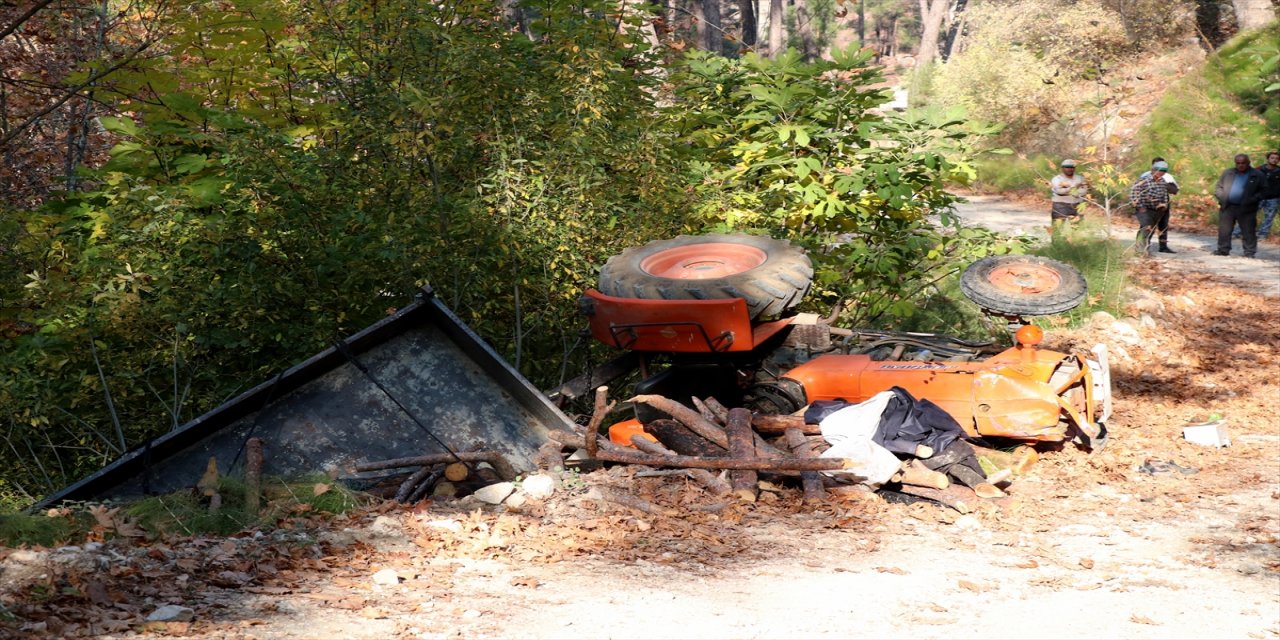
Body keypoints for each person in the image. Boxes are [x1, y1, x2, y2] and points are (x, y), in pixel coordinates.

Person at [1213, 154, 1265, 257]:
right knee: (1224, 230)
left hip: (1247, 207)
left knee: (1248, 230)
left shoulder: (1257, 174)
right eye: (1238, 163)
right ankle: (1223, 249)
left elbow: (1264, 190)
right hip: (1228, 206)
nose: (1240, 165)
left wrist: (1253, 199)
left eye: (1243, 163)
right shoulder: (1228, 173)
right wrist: (1222, 197)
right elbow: (1219, 187)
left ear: (1248, 162)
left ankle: (1249, 252)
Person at [1138, 157, 1181, 252]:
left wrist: (1165, 185)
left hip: (1163, 202)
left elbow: (1174, 190)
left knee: (1163, 225)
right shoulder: (1145, 176)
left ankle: (1163, 246)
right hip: (1148, 203)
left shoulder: (1167, 177)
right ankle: (1141, 247)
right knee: (1147, 225)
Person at [1129, 161, 1170, 255]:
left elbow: (1164, 194)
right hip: (1144, 208)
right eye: (1159, 170)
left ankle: (1145, 249)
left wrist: (1164, 205)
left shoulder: (1162, 181)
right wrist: (1139, 206)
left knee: (1151, 230)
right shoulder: (1144, 180)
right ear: (1153, 170)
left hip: (1157, 209)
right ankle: (1140, 251)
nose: (1161, 172)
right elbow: (1134, 192)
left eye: (1164, 171)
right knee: (1145, 227)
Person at [1049, 159, 1088, 230]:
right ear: (1062, 168)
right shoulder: (1057, 179)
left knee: (1078, 229)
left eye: (1072, 167)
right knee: (1058, 229)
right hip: (1060, 205)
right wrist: (1075, 187)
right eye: (1067, 167)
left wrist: (1067, 189)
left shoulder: (1080, 178)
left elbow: (1084, 191)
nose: (1070, 169)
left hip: (1077, 205)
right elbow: (1059, 191)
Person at [1258, 151, 1280, 239]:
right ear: (1268, 159)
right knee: (1249, 214)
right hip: (1258, 197)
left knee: (1269, 217)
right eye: (1272, 158)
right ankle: (1238, 232)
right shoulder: (1259, 169)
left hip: (1273, 198)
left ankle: (1262, 234)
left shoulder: (1279, 171)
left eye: (1277, 158)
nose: (1274, 160)